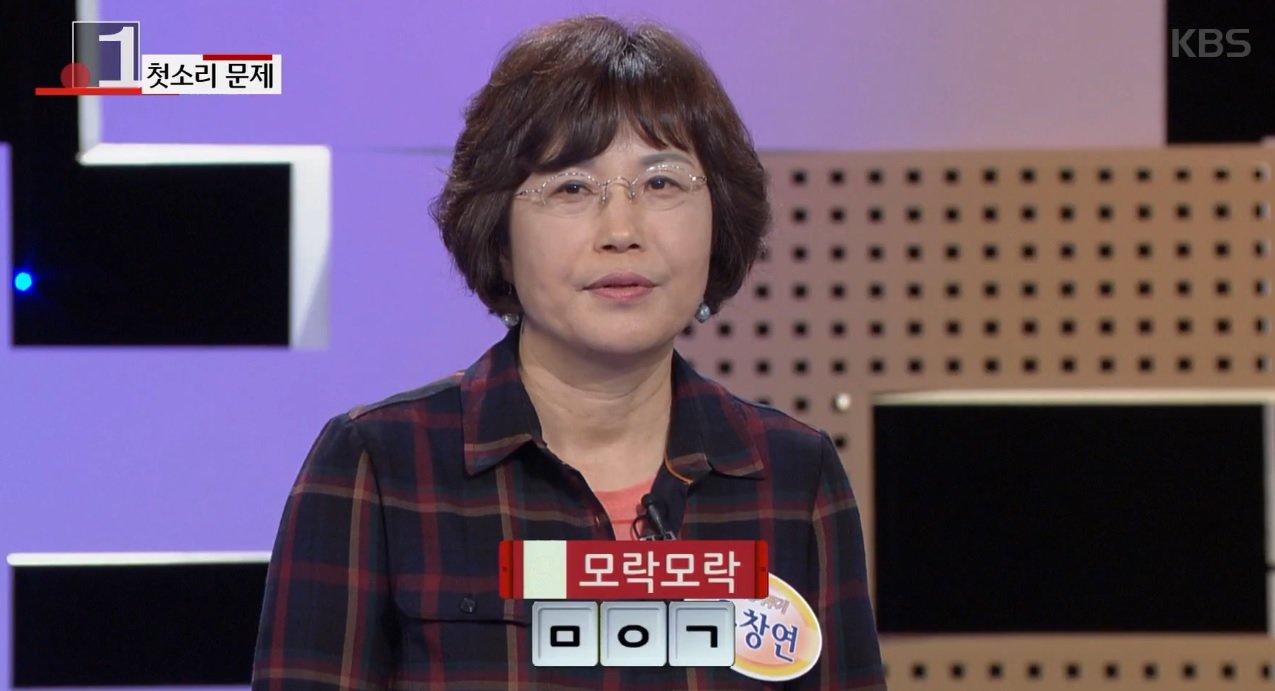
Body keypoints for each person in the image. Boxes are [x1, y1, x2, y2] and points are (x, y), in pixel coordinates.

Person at [252, 15, 884, 690]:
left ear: (719, 219)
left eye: (662, 184)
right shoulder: (378, 467)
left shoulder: (794, 476)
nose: (622, 231)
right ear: (500, 235)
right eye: (572, 188)